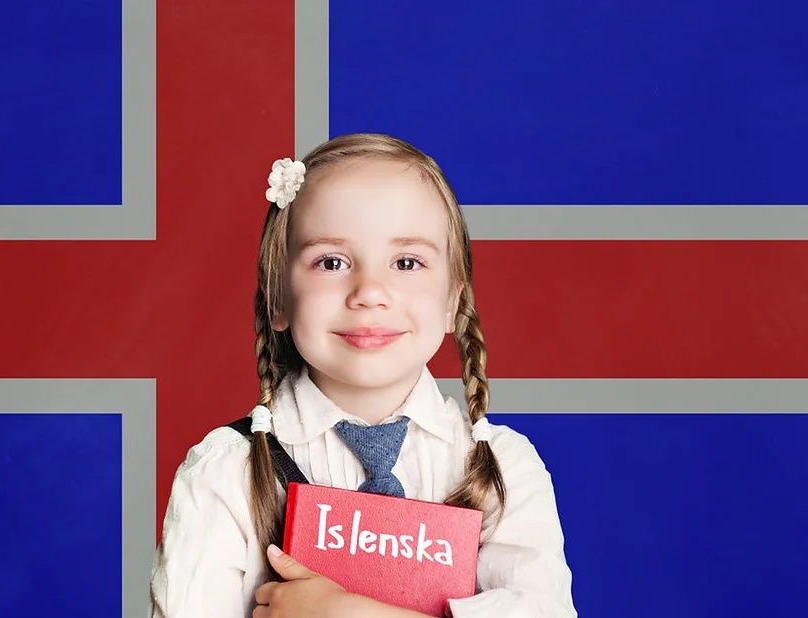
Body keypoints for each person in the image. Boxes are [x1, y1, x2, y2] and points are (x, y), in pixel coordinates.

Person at [149, 133, 577, 618]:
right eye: (331, 262)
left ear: (454, 301)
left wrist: (348, 614)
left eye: (407, 262)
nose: (370, 292)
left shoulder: (504, 472)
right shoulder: (225, 474)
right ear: (277, 299)